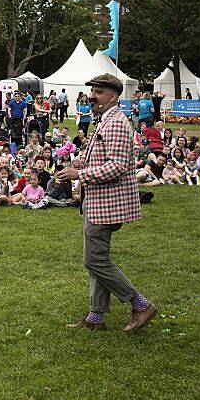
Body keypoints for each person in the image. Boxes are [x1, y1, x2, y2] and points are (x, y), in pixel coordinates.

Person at [57, 73, 157, 333]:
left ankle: (141, 304)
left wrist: (80, 174)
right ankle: (95, 318)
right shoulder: (106, 120)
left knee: (94, 261)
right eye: (92, 92)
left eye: (98, 93)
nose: (92, 97)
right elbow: (106, 159)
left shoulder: (115, 123)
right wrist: (80, 163)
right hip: (100, 201)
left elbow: (118, 166)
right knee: (98, 259)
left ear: (113, 97)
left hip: (107, 204)